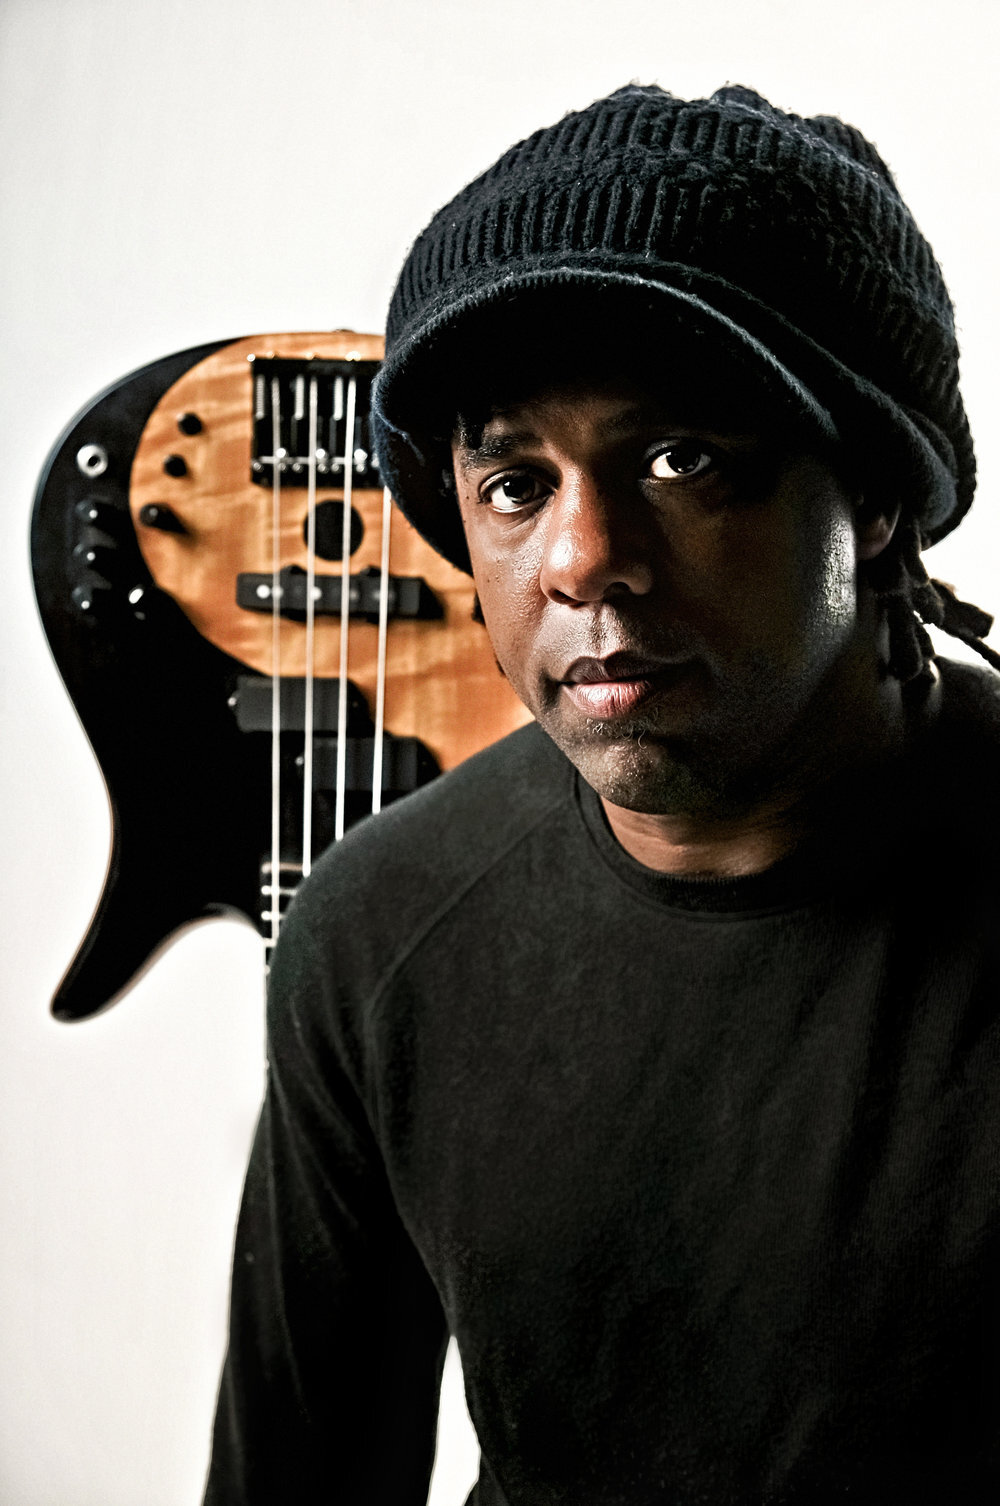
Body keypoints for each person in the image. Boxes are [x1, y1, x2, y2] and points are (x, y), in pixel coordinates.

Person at [203, 85, 1000, 1504]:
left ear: (872, 493)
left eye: (682, 457)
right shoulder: (381, 931)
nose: (583, 558)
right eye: (514, 482)